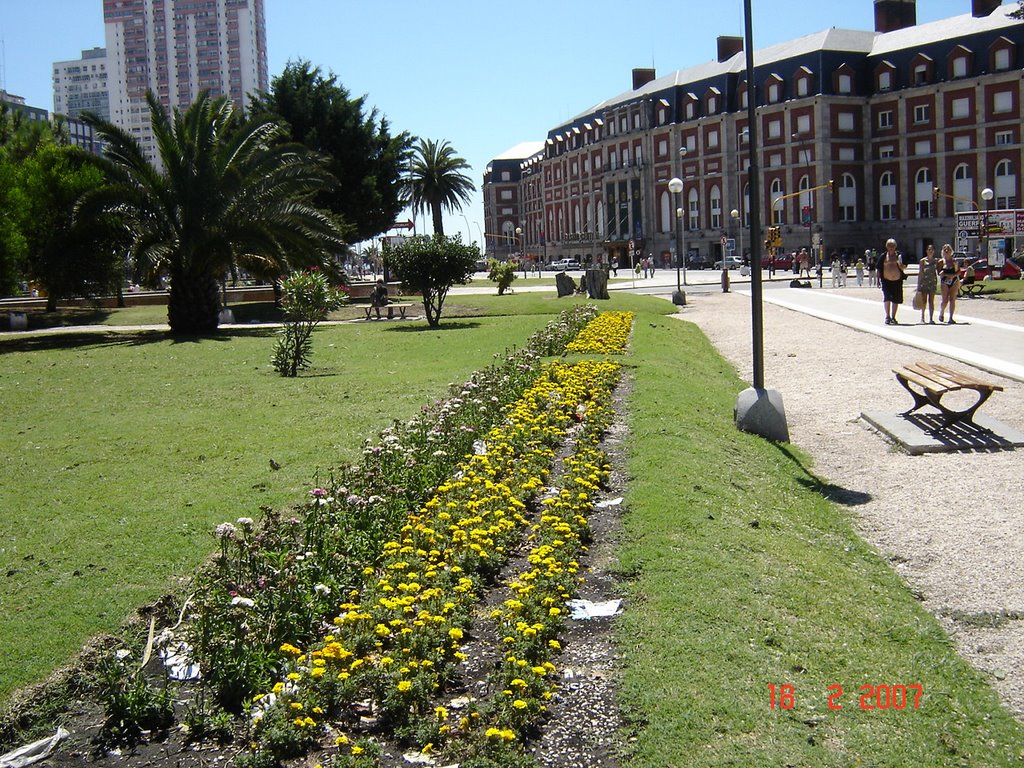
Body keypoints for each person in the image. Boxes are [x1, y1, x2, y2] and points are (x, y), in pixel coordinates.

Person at [879, 238, 907, 325]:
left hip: (897, 281)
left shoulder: (899, 256)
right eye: (889, 246)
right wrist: (878, 280)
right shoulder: (883, 256)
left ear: (895, 247)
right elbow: (879, 269)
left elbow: (904, 267)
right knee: (887, 298)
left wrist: (900, 264)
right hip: (886, 281)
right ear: (887, 247)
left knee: (896, 299)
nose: (891, 247)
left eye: (893, 246)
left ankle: (893, 317)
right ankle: (887, 316)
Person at [915, 244, 939, 324]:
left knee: (931, 301)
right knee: (924, 300)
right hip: (924, 282)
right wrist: (918, 285)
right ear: (926, 251)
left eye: (931, 249)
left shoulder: (936, 261)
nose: (930, 251)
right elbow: (921, 272)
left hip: (932, 282)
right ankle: (922, 318)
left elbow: (939, 270)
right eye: (929, 249)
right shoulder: (923, 261)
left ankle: (931, 318)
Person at [937, 244, 960, 324]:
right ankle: (942, 312)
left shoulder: (954, 261)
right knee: (945, 300)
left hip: (954, 281)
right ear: (943, 251)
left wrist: (953, 275)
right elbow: (939, 273)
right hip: (944, 282)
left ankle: (951, 318)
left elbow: (958, 271)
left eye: (948, 250)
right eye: (945, 250)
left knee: (952, 299)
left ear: (951, 251)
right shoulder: (941, 262)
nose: (947, 251)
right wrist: (945, 274)